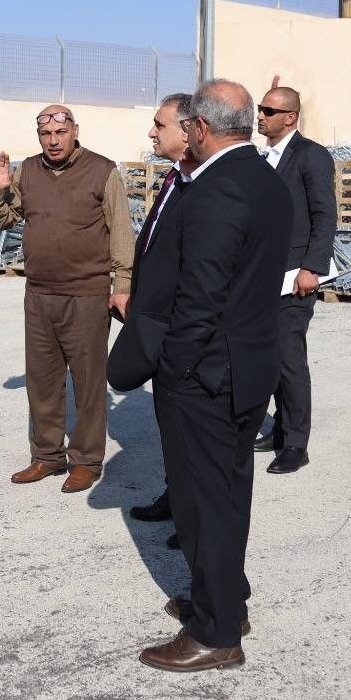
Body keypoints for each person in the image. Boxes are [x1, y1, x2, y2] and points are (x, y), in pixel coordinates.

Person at [137, 79, 291, 673]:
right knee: (227, 497)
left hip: (208, 376)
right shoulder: (264, 178)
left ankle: (217, 633)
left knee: (206, 504)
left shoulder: (214, 190)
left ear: (200, 127)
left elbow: (199, 301)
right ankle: (225, 601)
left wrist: (173, 369)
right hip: (249, 366)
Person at [0, 105, 134, 494]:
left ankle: (86, 460)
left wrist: (122, 285)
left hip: (86, 295)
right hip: (39, 294)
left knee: (88, 382)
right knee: (42, 381)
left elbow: (121, 231)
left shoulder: (102, 171)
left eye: (60, 133)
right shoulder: (28, 171)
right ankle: (47, 455)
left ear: (75, 131)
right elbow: (1, 220)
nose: (53, 141)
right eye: (46, 135)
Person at [116, 93, 198, 524]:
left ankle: (191, 515)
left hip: (179, 329)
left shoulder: (201, 185)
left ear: (187, 130)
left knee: (189, 428)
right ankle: (177, 495)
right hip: (155, 323)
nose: (151, 132)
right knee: (169, 422)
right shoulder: (173, 178)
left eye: (159, 124)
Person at [252, 85, 335, 475]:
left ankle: (296, 444)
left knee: (289, 360)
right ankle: (281, 429)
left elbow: (324, 214)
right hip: (264, 277)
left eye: (269, 110)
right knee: (269, 358)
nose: (260, 115)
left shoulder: (310, 155)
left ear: (290, 117)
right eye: (260, 108)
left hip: (296, 275)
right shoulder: (262, 157)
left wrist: (312, 268)